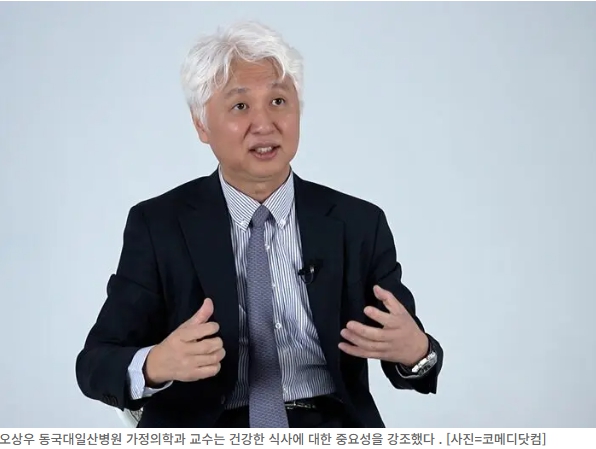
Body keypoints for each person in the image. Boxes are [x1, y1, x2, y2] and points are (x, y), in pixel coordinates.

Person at [75, 21, 443, 429]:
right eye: (240, 106)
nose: (264, 123)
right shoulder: (158, 225)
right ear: (201, 124)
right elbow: (95, 363)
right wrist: (155, 364)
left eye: (279, 101)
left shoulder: (357, 224)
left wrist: (417, 351)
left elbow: (412, 361)